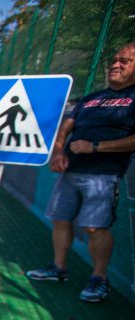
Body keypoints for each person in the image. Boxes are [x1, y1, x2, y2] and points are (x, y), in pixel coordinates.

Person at [26, 43, 135, 303]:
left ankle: (99, 279)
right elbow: (65, 129)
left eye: (125, 61)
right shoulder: (91, 98)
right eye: (114, 59)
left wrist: (96, 146)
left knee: (94, 227)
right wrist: (59, 153)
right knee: (60, 219)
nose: (115, 65)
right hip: (70, 172)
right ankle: (58, 268)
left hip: (103, 175)